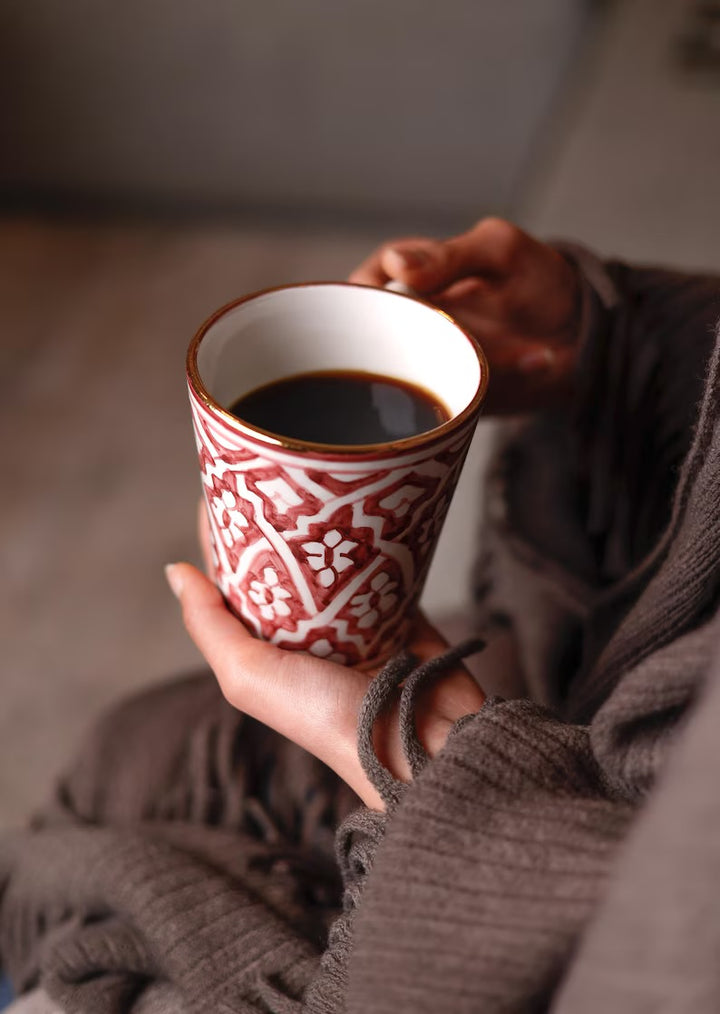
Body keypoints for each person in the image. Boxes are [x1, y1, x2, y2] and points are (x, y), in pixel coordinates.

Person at [1, 218, 719, 1013]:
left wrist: (426, 758)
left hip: (588, 847)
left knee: (100, 882)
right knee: (134, 747)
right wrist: (611, 338)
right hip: (629, 691)